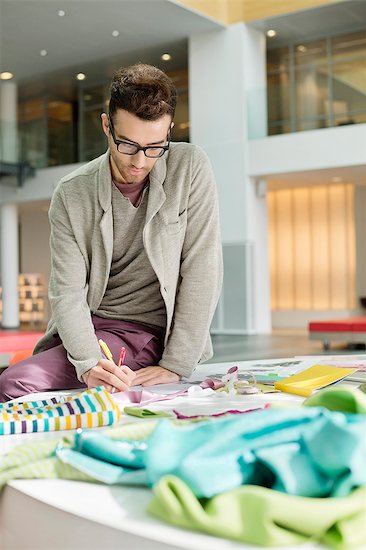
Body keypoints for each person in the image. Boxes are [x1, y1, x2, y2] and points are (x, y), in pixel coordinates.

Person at [0, 63, 223, 402]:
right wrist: (88, 363)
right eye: (128, 145)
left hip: (147, 334)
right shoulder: (72, 193)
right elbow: (68, 292)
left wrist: (175, 364)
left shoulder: (190, 166)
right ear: (107, 126)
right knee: (15, 382)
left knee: (11, 385)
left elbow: (203, 267)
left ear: (170, 131)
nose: (140, 161)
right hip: (89, 331)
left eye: (155, 147)